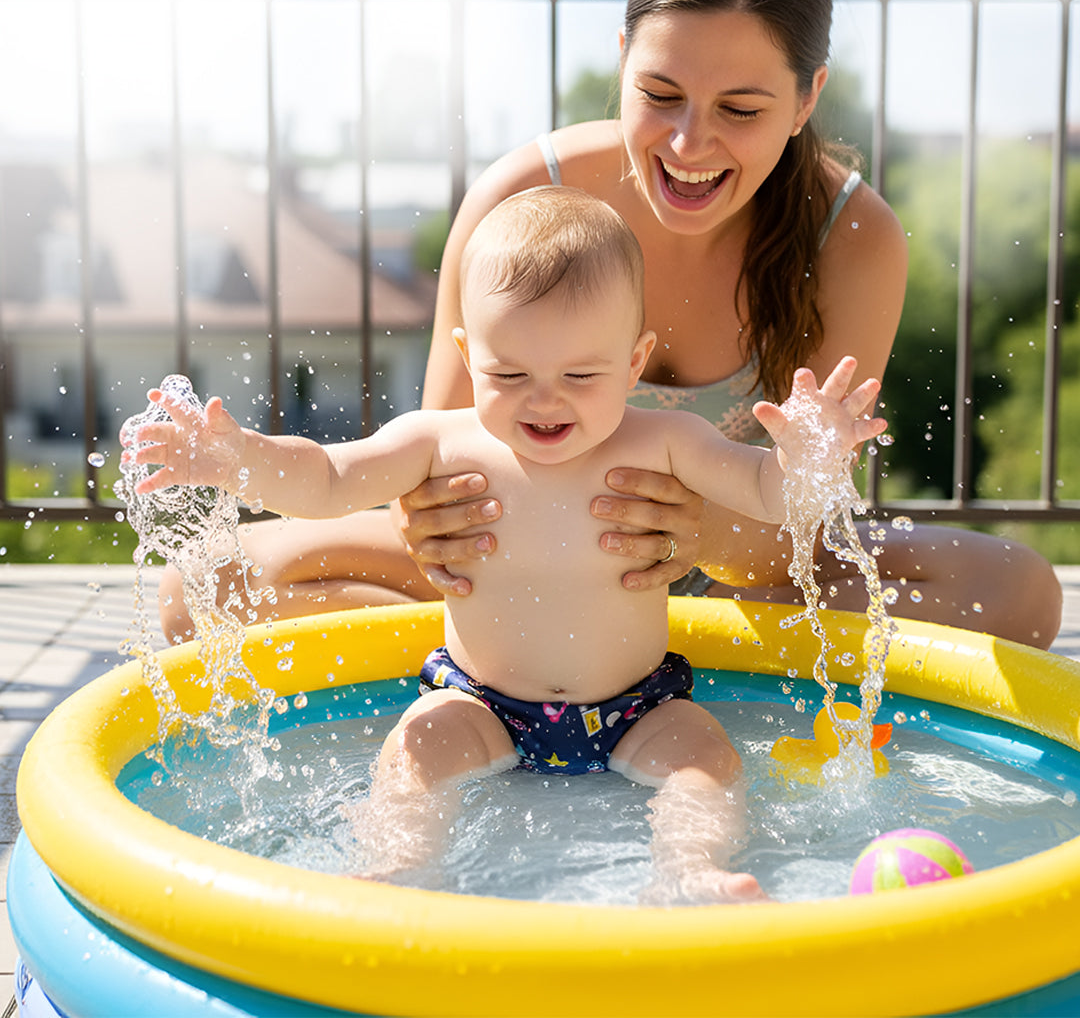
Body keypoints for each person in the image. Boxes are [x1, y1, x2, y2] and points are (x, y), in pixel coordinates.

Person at [156, 0, 1062, 649]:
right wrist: (451, 535)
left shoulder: (853, 237)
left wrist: (690, 533)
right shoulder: (523, 197)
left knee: (1016, 593)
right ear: (623, 55)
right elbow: (431, 477)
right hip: (518, 546)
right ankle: (604, 657)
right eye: (659, 94)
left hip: (739, 563)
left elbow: (800, 518)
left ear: (807, 98)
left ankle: (634, 653)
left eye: (740, 109)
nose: (688, 144)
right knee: (198, 590)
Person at [126, 187, 886, 900]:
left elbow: (768, 495)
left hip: (638, 706)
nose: (544, 398)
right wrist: (241, 459)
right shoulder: (438, 441)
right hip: (478, 699)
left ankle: (692, 869)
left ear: (633, 360)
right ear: (468, 350)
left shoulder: (668, 440)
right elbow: (326, 477)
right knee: (413, 753)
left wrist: (810, 460)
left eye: (582, 373)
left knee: (707, 761)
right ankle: (394, 867)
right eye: (509, 370)